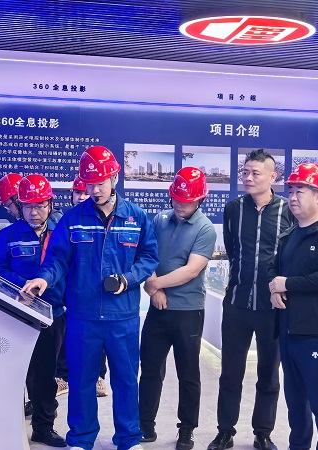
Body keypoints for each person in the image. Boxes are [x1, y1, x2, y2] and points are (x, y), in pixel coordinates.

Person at [22, 145, 159, 450]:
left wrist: (128, 279)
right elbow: (57, 258)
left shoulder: (136, 217)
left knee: (125, 379)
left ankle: (128, 438)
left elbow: (149, 257)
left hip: (122, 316)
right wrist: (44, 278)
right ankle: (81, 439)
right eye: (89, 184)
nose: (94, 191)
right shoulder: (73, 219)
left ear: (114, 179)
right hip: (83, 316)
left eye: (100, 183)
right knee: (82, 380)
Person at [207, 149, 294, 450]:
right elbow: (232, 250)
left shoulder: (287, 210)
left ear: (273, 177)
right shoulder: (233, 209)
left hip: (273, 307)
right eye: (245, 172)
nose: (248, 177)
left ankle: (263, 433)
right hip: (237, 302)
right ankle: (225, 432)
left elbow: (290, 255)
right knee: (230, 372)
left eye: (255, 173)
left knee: (268, 374)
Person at [267, 163, 318, 450]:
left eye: (300, 191)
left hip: (316, 333)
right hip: (288, 332)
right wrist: (273, 289)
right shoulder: (289, 235)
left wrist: (286, 284)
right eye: (291, 191)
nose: (293, 197)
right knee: (296, 404)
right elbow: (274, 271)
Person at [138, 167, 216, 450]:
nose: (181, 205)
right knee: (150, 369)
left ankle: (187, 429)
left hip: (188, 311)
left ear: (200, 200)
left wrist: (154, 285)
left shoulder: (205, 229)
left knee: (188, 373)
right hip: (158, 310)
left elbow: (191, 270)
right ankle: (145, 425)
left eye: (187, 201)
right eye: (177, 199)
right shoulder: (160, 220)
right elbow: (146, 255)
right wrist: (154, 289)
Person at [0, 174, 67, 447]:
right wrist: (25, 285)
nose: (34, 212)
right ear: (20, 206)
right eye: (28, 206)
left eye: (40, 205)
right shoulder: (8, 236)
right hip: (18, 315)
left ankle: (43, 428)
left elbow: (71, 267)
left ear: (50, 204)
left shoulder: (62, 233)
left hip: (53, 315)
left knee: (45, 375)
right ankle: (8, 425)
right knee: (14, 372)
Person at [55, 175, 109, 398]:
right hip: (69, 289)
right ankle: (63, 378)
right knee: (65, 334)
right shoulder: (66, 221)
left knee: (99, 335)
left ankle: (98, 376)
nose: (83, 197)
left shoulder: (103, 221)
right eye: (78, 192)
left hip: (96, 291)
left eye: (86, 193)